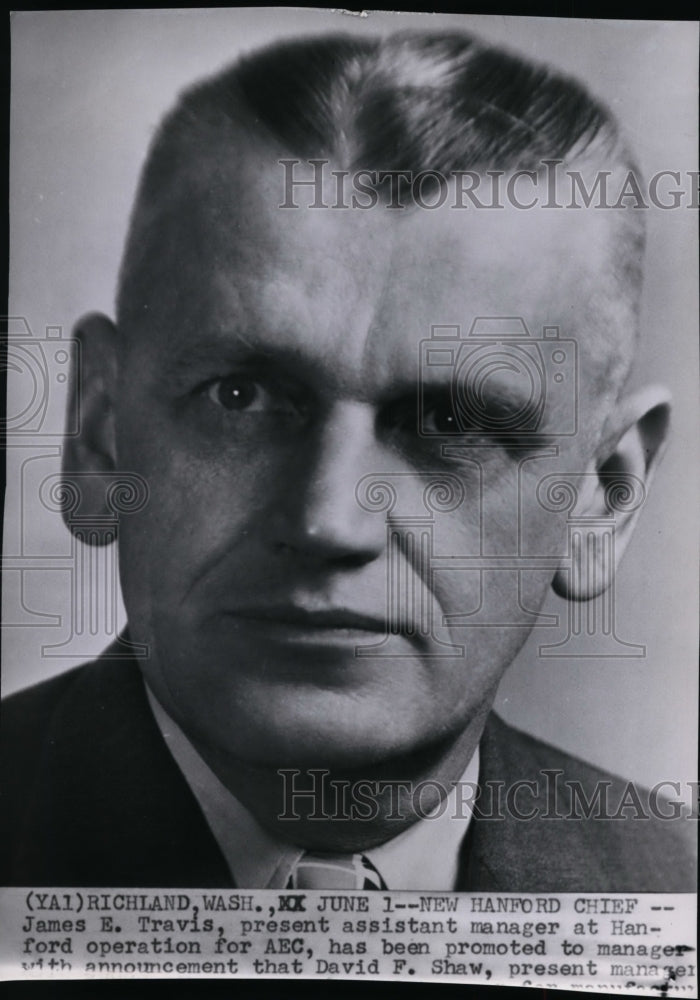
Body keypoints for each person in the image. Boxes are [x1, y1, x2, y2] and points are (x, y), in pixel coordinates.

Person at [1, 30, 694, 891]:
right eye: (241, 398)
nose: (329, 519)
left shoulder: (675, 890)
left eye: (448, 421)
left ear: (604, 496)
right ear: (99, 436)